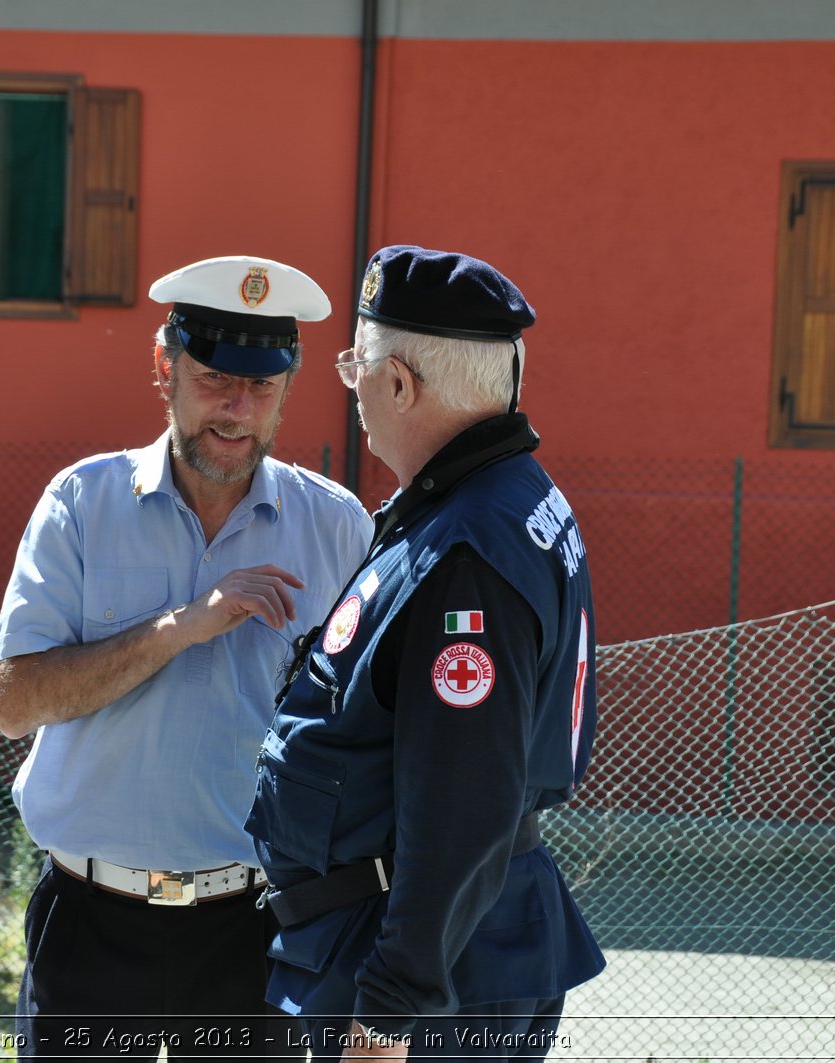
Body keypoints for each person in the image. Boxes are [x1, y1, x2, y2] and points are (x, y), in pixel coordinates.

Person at [0, 255, 373, 1060]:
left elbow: (372, 734)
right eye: (213, 377)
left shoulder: (338, 530)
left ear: (289, 389)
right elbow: (14, 701)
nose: (236, 409)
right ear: (164, 366)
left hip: (254, 931)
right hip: (91, 925)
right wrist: (182, 626)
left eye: (261, 386)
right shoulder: (81, 506)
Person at [246, 245, 606, 1060]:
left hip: (424, 970)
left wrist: (387, 1012)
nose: (355, 390)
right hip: (446, 948)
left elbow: (462, 801)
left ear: (400, 383)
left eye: (357, 366)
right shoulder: (502, 496)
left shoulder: (467, 550)